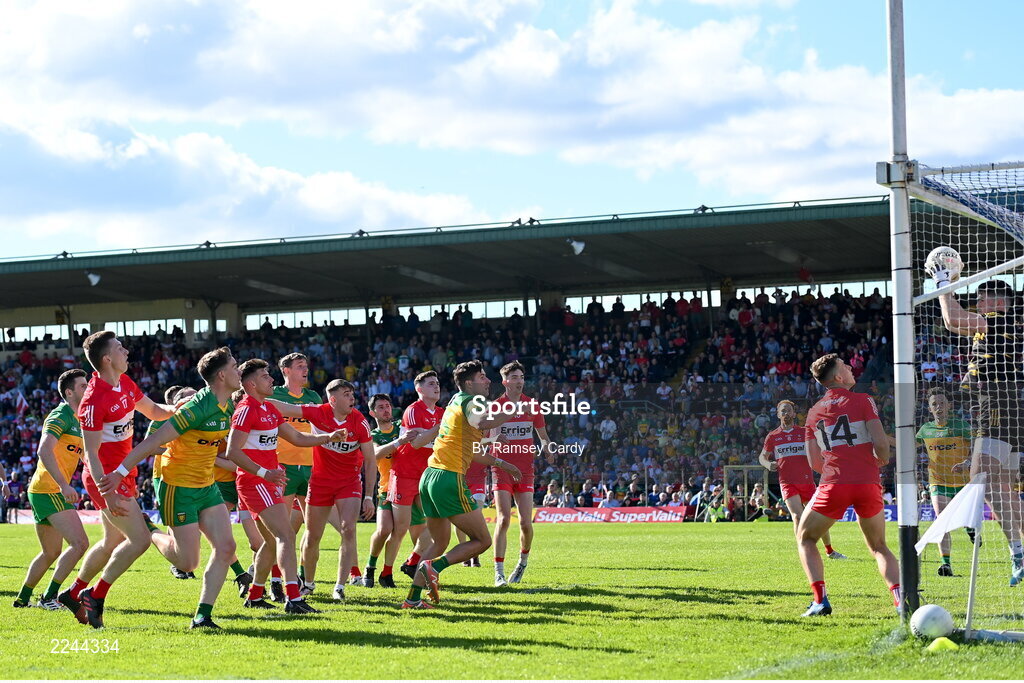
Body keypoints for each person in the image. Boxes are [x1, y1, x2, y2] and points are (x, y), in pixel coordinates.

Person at [100, 347, 248, 629]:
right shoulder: (195, 409)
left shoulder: (228, 405)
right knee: (188, 562)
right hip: (177, 487)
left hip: (207, 486)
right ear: (221, 374)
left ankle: (203, 616)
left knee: (227, 547)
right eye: (235, 366)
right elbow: (150, 444)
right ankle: (153, 533)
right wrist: (118, 472)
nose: (238, 370)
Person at [63, 331, 180, 629]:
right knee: (139, 540)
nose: (126, 351)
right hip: (107, 480)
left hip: (122, 474)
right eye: (119, 348)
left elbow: (153, 410)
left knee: (111, 541)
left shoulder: (124, 383)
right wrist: (109, 494)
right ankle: (95, 595)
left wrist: (180, 411)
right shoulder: (93, 400)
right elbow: (90, 454)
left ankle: (74, 592)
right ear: (107, 359)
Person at [227, 359, 346, 615]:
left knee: (271, 542)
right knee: (285, 535)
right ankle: (293, 597)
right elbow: (232, 451)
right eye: (265, 376)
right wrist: (263, 472)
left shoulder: (268, 408)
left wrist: (328, 437)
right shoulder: (246, 409)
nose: (270, 379)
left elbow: (297, 437)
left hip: (267, 480)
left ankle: (255, 595)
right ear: (251, 384)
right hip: (255, 482)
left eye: (269, 374)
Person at [401, 360, 522, 609]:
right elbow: (481, 423)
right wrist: (511, 410)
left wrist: (503, 463)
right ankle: (435, 567)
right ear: (470, 383)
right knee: (482, 541)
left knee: (438, 542)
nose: (488, 381)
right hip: (449, 478)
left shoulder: (455, 401)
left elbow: (473, 450)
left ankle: (412, 599)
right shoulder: (471, 401)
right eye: (482, 377)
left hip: (431, 477)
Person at [929, 269, 1024, 586]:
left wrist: (944, 285)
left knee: (981, 479)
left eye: (982, 298)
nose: (978, 302)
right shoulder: (994, 327)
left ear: (999, 301)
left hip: (999, 404)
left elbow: (955, 318)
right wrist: (946, 292)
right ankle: (1019, 552)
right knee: (1003, 488)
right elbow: (949, 322)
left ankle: (1018, 552)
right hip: (1005, 405)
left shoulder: (996, 321)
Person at [798, 353, 900, 617]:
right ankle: (901, 600)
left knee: (806, 538)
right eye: (845, 365)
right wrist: (881, 460)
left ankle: (820, 601)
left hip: (834, 483)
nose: (851, 367)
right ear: (838, 377)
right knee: (879, 546)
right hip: (867, 482)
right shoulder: (863, 400)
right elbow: (880, 444)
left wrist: (834, 470)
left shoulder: (813, 412)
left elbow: (814, 462)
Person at [269, 379, 376, 601]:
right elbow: (285, 407)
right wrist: (252, 399)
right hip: (319, 482)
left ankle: (339, 586)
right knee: (312, 535)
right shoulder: (318, 412)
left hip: (349, 483)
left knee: (348, 529)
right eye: (346, 394)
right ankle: (308, 583)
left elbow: (370, 460)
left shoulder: (360, 421)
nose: (352, 398)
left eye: (352, 394)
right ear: (333, 399)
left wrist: (368, 496)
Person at [15, 370, 90, 610]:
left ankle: (22, 599)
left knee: (50, 552)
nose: (88, 388)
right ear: (69, 392)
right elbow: (43, 450)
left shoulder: (80, 419)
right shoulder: (60, 415)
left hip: (43, 489)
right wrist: (64, 485)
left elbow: (86, 456)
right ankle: (49, 597)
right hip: (49, 489)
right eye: (82, 386)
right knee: (79, 544)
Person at [270, 353, 346, 590]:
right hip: (282, 466)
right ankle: (274, 581)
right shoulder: (273, 395)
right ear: (286, 371)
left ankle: (304, 579)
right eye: (300, 366)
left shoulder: (313, 396)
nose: (305, 370)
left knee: (313, 530)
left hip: (312, 468)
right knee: (281, 530)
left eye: (306, 366)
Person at [758, 400, 847, 560]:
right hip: (787, 482)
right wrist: (767, 463)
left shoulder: (804, 432)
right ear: (778, 415)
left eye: (788, 410)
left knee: (820, 516)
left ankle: (830, 551)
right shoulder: (773, 436)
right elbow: (762, 457)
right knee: (797, 516)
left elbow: (820, 447)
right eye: (782, 411)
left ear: (794, 413)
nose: (786, 413)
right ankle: (804, 550)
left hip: (806, 482)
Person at [490, 361, 551, 586]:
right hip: (502, 467)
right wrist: (494, 438)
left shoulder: (532, 405)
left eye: (521, 377)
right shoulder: (496, 406)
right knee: (504, 519)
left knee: (526, 522)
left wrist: (549, 449)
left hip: (525, 470)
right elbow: (487, 436)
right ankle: (498, 572)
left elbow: (543, 434)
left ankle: (522, 562)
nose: (519, 381)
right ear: (505, 382)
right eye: (514, 377)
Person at [383, 371, 441, 582]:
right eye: (431, 384)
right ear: (419, 389)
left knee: (438, 522)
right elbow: (417, 442)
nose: (436, 387)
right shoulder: (413, 410)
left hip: (427, 475)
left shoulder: (442, 412)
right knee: (400, 529)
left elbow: (430, 438)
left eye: (437, 383)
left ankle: (411, 562)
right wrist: (439, 428)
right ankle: (385, 573)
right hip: (405, 474)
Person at [363, 393, 421, 588]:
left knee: (414, 533)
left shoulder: (401, 427)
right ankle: (370, 567)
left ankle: (392, 571)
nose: (386, 409)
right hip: (387, 490)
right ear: (372, 412)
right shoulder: (373, 436)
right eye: (380, 407)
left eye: (387, 405)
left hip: (411, 487)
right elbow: (374, 453)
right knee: (384, 530)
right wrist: (399, 442)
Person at [915, 388, 973, 576]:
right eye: (934, 404)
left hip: (963, 483)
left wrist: (967, 462)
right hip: (938, 482)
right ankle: (945, 563)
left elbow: (977, 444)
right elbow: (907, 445)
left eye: (942, 403)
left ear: (949, 405)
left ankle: (970, 527)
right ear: (930, 408)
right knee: (942, 520)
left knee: (967, 519)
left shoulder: (960, 425)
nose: (938, 407)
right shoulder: (925, 429)